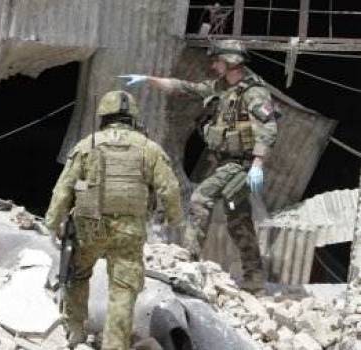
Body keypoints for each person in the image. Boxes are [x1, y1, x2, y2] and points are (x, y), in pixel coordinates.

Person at [118, 39, 279, 293]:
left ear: (230, 62)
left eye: (217, 61)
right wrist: (149, 79)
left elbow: (269, 128)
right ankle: (255, 277)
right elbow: (186, 88)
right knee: (238, 218)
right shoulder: (222, 87)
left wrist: (258, 164)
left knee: (200, 198)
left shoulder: (253, 92)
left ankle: (187, 259)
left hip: (241, 164)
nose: (214, 65)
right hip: (226, 162)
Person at [43, 91, 183, 349]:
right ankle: (114, 344)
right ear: (133, 119)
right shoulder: (148, 149)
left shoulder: (87, 145)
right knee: (123, 289)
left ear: (103, 117)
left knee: (78, 273)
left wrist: (52, 223)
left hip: (89, 228)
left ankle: (75, 331)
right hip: (128, 232)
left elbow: (64, 188)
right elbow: (169, 189)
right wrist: (175, 220)